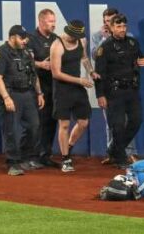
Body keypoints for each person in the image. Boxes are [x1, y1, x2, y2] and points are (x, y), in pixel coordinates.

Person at [95, 13, 144, 169]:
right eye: (118, 26)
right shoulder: (104, 47)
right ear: (111, 27)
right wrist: (100, 95)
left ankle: (114, 150)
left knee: (137, 120)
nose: (122, 29)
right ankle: (120, 158)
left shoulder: (133, 43)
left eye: (124, 26)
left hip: (132, 90)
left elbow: (142, 58)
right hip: (114, 92)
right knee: (117, 125)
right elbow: (99, 74)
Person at [0, 25, 45, 176]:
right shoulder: (1, 53)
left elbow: (33, 75)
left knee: (34, 126)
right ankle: (13, 163)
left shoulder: (26, 52)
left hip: (27, 94)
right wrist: (6, 98)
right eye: (22, 38)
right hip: (11, 93)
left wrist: (39, 93)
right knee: (11, 130)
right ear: (13, 37)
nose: (24, 40)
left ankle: (25, 157)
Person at [50, 20, 95, 173]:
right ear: (68, 32)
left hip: (77, 87)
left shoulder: (82, 40)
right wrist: (80, 80)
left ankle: (68, 147)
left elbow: (83, 57)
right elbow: (56, 73)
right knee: (64, 125)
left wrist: (91, 71)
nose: (76, 38)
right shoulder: (57, 45)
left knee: (83, 122)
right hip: (62, 89)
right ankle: (65, 158)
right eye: (73, 35)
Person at [26, 9, 60, 168]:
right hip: (37, 88)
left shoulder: (56, 39)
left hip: (54, 87)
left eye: (54, 21)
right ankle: (32, 156)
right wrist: (41, 64)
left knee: (52, 122)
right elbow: (25, 62)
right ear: (40, 21)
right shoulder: (31, 40)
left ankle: (45, 155)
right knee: (37, 123)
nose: (53, 24)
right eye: (50, 21)